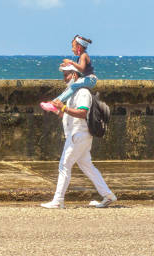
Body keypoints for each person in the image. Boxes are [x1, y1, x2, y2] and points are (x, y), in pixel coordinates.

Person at [40, 64, 117, 209]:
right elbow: (69, 114)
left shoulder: (82, 92)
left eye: (66, 75)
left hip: (78, 134)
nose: (64, 78)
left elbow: (82, 112)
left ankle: (58, 200)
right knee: (87, 166)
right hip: (78, 134)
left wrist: (62, 107)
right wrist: (56, 110)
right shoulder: (72, 93)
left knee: (64, 165)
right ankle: (108, 195)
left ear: (75, 75)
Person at [40, 35, 97, 113]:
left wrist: (71, 62)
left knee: (73, 86)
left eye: (73, 47)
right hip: (87, 79)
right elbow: (78, 69)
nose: (72, 49)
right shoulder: (81, 57)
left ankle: (55, 104)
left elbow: (82, 69)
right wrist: (68, 65)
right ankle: (54, 102)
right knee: (70, 87)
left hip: (90, 80)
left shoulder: (83, 56)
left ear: (79, 47)